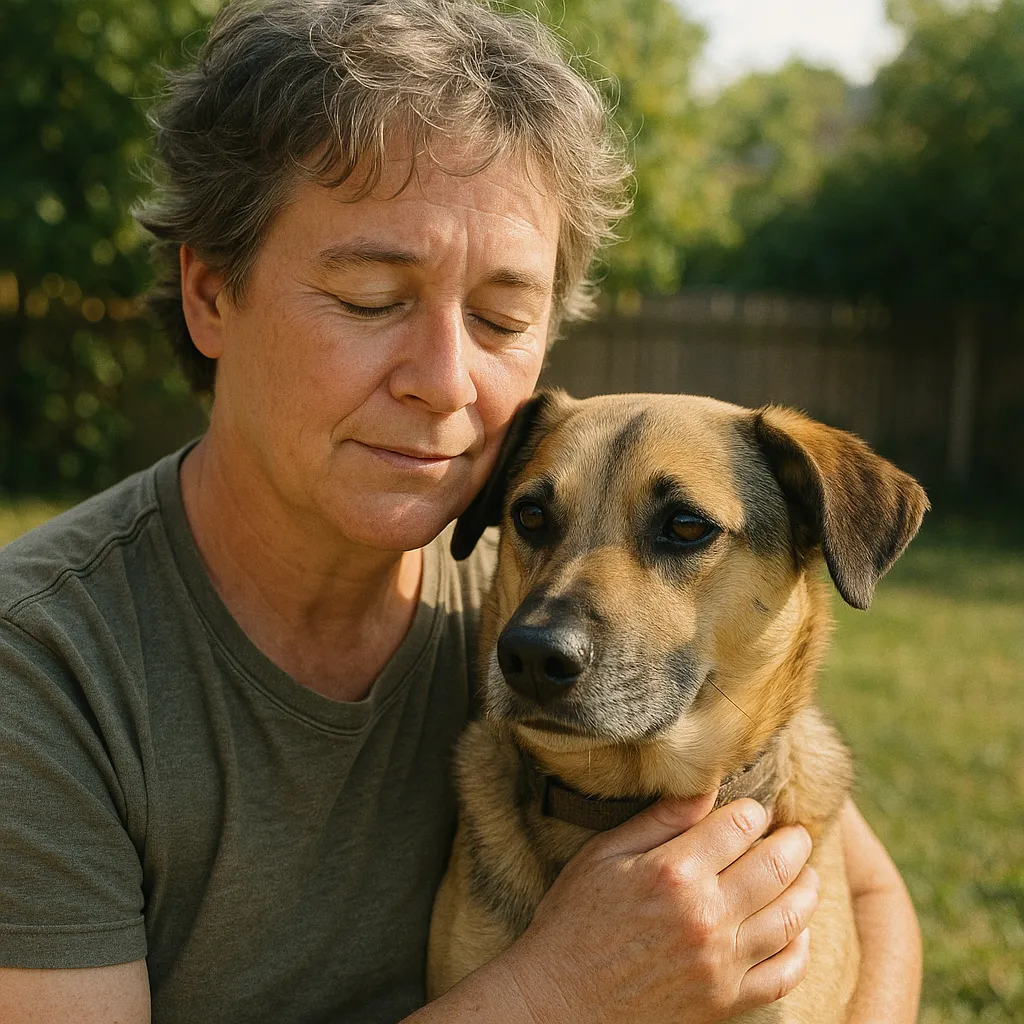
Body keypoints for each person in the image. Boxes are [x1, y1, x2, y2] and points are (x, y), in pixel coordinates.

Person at [0, 1, 922, 1021]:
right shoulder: (39, 673)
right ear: (212, 295)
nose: (445, 380)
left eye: (499, 317)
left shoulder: (517, 585)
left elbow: (870, 897)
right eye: (370, 298)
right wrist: (559, 990)